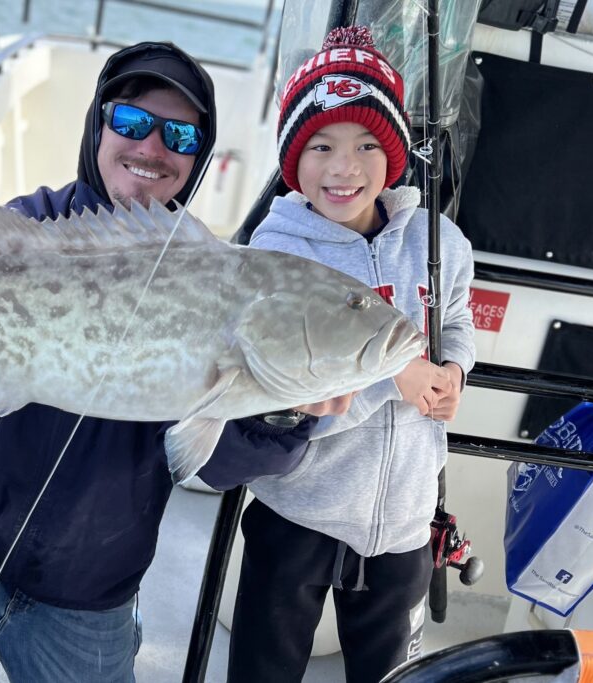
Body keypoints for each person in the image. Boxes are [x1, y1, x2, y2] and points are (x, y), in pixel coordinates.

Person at [0, 41, 331, 682]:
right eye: (130, 121)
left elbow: (223, 460)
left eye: (180, 134)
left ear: (199, 156)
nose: (151, 147)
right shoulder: (26, 228)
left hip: (87, 583)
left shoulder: (215, 274)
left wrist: (288, 413)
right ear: (97, 125)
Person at [225, 27, 476, 683]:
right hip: (298, 506)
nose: (345, 167)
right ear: (292, 158)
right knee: (264, 664)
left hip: (405, 520)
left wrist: (453, 370)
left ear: (393, 156)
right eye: (321, 145)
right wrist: (394, 378)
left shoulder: (437, 238)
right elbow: (280, 392)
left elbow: (453, 318)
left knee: (392, 671)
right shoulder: (273, 258)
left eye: (368, 144)